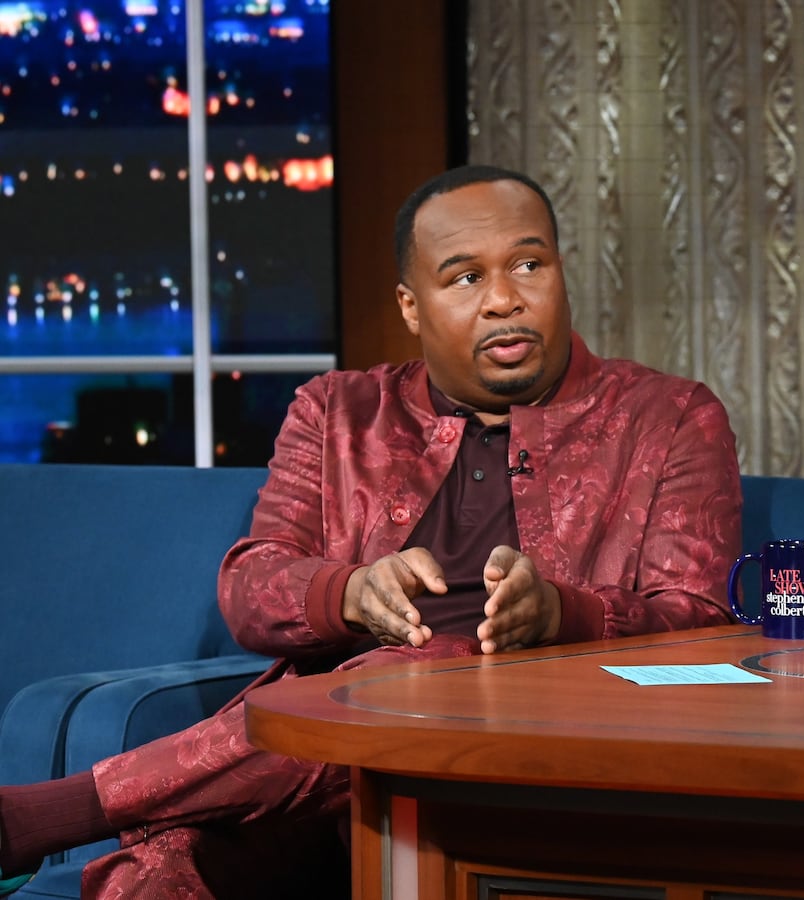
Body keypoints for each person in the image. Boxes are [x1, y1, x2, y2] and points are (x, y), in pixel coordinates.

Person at [0, 164, 742, 898]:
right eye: (464, 278)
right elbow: (251, 585)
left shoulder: (669, 417)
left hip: (534, 767)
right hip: (321, 778)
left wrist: (562, 614)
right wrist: (350, 593)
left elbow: (701, 623)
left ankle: (45, 816)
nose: (506, 300)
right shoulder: (337, 412)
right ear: (411, 306)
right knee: (161, 868)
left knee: (412, 676)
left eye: (528, 264)